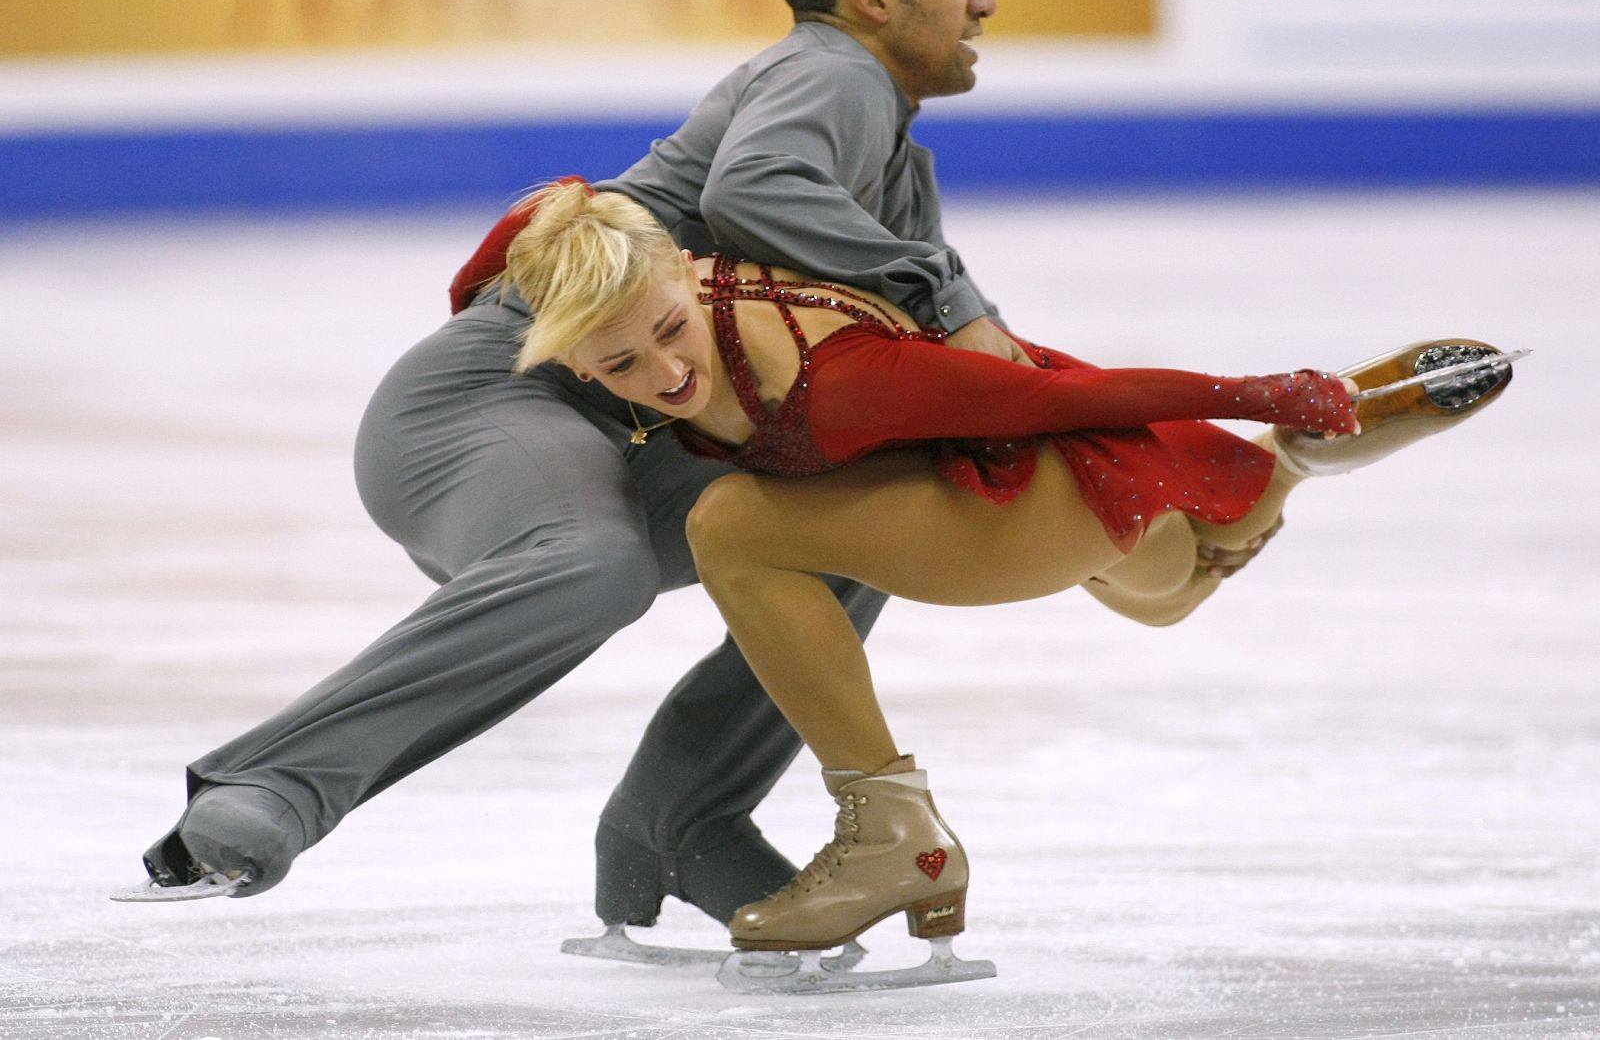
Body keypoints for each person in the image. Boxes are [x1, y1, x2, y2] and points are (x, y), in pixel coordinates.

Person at [117, 0, 1025, 945]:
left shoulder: (891, 165)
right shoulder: (836, 73)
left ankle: (680, 821)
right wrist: (945, 295)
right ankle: (272, 783)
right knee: (594, 561)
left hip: (640, 431)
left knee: (867, 514)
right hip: (494, 395)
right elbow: (754, 191)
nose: (983, 2)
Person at [498, 179, 1517, 978]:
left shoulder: (837, 379)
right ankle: (1287, 463)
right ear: (574, 363)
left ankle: (893, 837)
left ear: (686, 270)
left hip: (1027, 487)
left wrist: (1271, 387)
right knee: (1169, 590)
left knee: (733, 525)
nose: (666, 375)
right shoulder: (661, 294)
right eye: (621, 364)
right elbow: (521, 274)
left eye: (668, 333)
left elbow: (1048, 397)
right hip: (1044, 499)